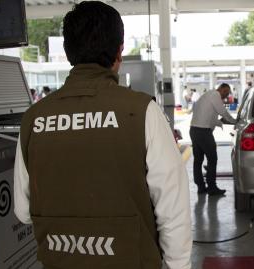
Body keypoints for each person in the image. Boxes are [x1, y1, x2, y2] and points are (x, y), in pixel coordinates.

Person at [13, 2, 192, 269]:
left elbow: (23, 211)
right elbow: (173, 208)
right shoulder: (142, 111)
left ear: (68, 51)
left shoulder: (33, 118)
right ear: (119, 50)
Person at [190, 83, 237, 195]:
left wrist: (220, 123)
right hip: (203, 132)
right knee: (212, 159)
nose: (226, 95)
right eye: (226, 92)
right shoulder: (215, 95)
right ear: (221, 89)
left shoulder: (208, 95)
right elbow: (223, 112)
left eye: (228, 93)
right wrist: (235, 121)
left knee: (198, 160)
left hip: (194, 130)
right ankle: (212, 187)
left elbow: (211, 117)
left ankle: (201, 187)